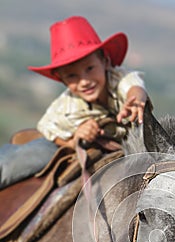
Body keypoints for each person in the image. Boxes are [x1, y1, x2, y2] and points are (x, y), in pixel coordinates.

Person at [0, 15, 147, 189]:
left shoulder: (117, 78)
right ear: (62, 80)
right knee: (35, 156)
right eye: (72, 76)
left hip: (124, 146)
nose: (84, 81)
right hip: (60, 142)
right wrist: (75, 138)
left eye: (90, 68)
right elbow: (47, 131)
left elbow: (133, 85)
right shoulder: (64, 108)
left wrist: (137, 100)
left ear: (105, 62)